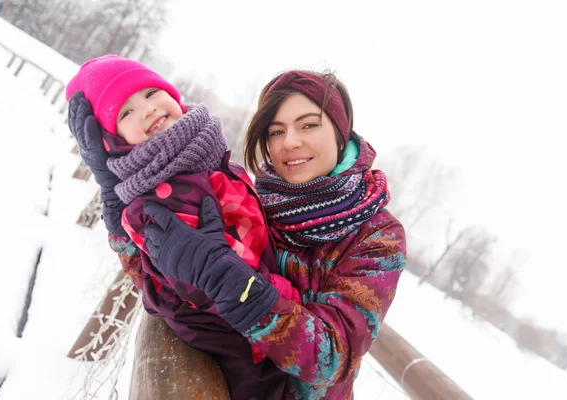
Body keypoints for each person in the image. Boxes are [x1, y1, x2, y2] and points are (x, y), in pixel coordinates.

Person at [73, 68, 407, 399]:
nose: (291, 142)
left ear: (340, 131)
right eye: (276, 131)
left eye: (309, 125)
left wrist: (234, 286)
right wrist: (118, 204)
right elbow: (163, 274)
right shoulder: (248, 193)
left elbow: (331, 358)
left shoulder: (377, 235)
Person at [65, 55, 295, 400]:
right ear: (113, 141)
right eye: (125, 113)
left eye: (150, 93)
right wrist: (284, 294)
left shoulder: (209, 159)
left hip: (265, 342)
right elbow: (198, 288)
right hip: (243, 354)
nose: (147, 110)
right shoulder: (155, 199)